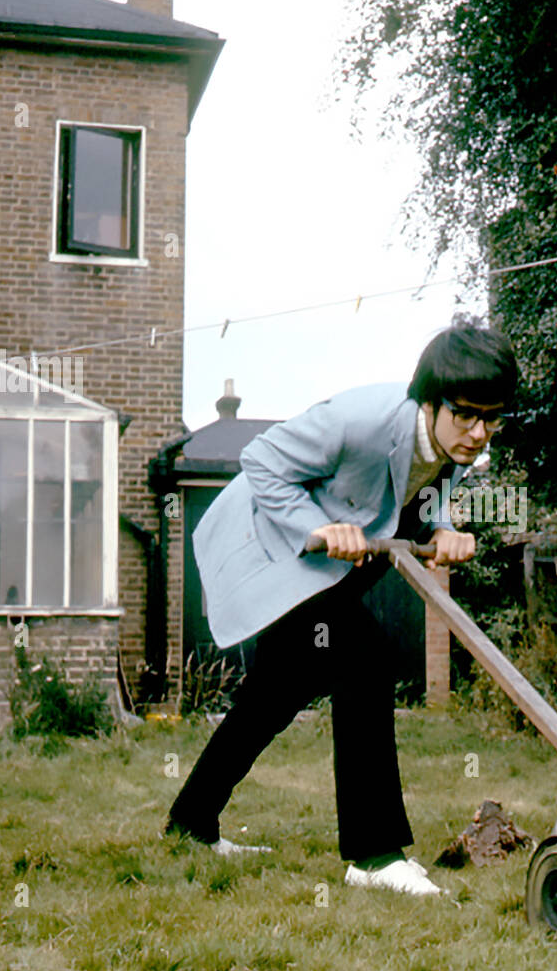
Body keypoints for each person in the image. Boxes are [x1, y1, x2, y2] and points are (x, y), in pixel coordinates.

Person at [164, 324, 519, 896]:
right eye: (467, 415)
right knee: (364, 657)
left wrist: (447, 529)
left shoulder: (453, 446)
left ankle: (190, 822)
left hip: (326, 575)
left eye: (493, 419)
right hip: (271, 555)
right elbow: (261, 461)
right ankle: (374, 855)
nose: (480, 434)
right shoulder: (360, 419)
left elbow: (427, 498)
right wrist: (318, 528)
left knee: (270, 697)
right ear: (429, 401)